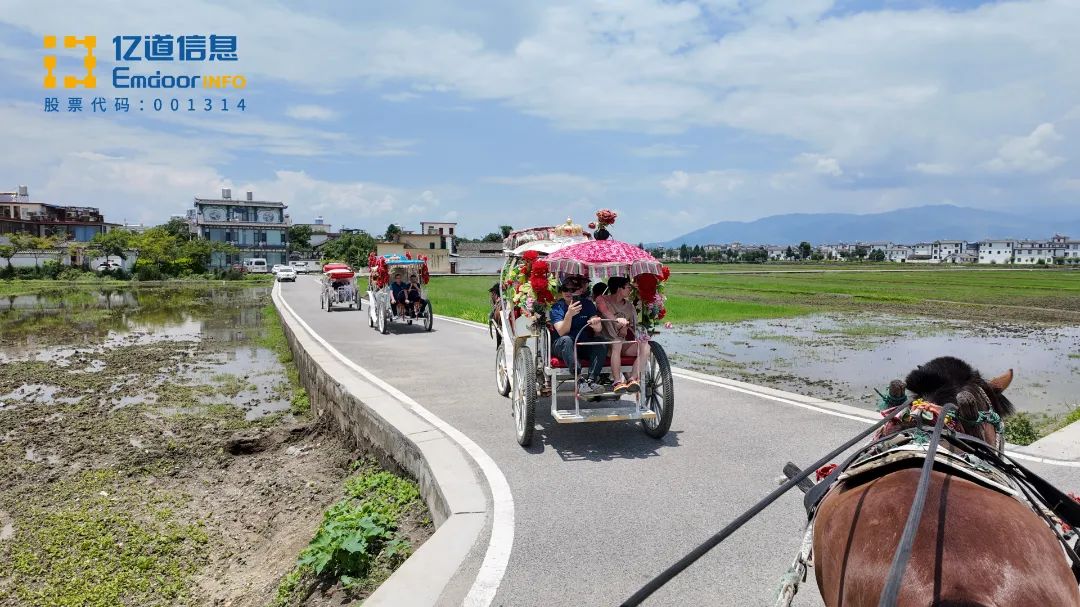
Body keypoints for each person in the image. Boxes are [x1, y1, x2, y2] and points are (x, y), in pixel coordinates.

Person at [549, 276, 606, 395]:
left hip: (582, 343)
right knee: (567, 340)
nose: (568, 292)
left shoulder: (588, 304)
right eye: (565, 289)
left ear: (580, 290)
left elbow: (598, 328)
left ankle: (592, 380)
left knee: (600, 342)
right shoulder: (557, 307)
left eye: (573, 289)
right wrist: (569, 314)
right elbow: (562, 332)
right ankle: (579, 380)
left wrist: (596, 323)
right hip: (562, 345)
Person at [596, 276, 649, 394]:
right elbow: (606, 312)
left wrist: (642, 333)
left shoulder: (629, 306)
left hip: (621, 341)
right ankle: (617, 381)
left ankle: (632, 379)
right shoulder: (602, 299)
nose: (630, 290)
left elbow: (635, 326)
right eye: (628, 287)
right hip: (605, 343)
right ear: (620, 288)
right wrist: (617, 321)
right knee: (617, 343)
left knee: (645, 346)